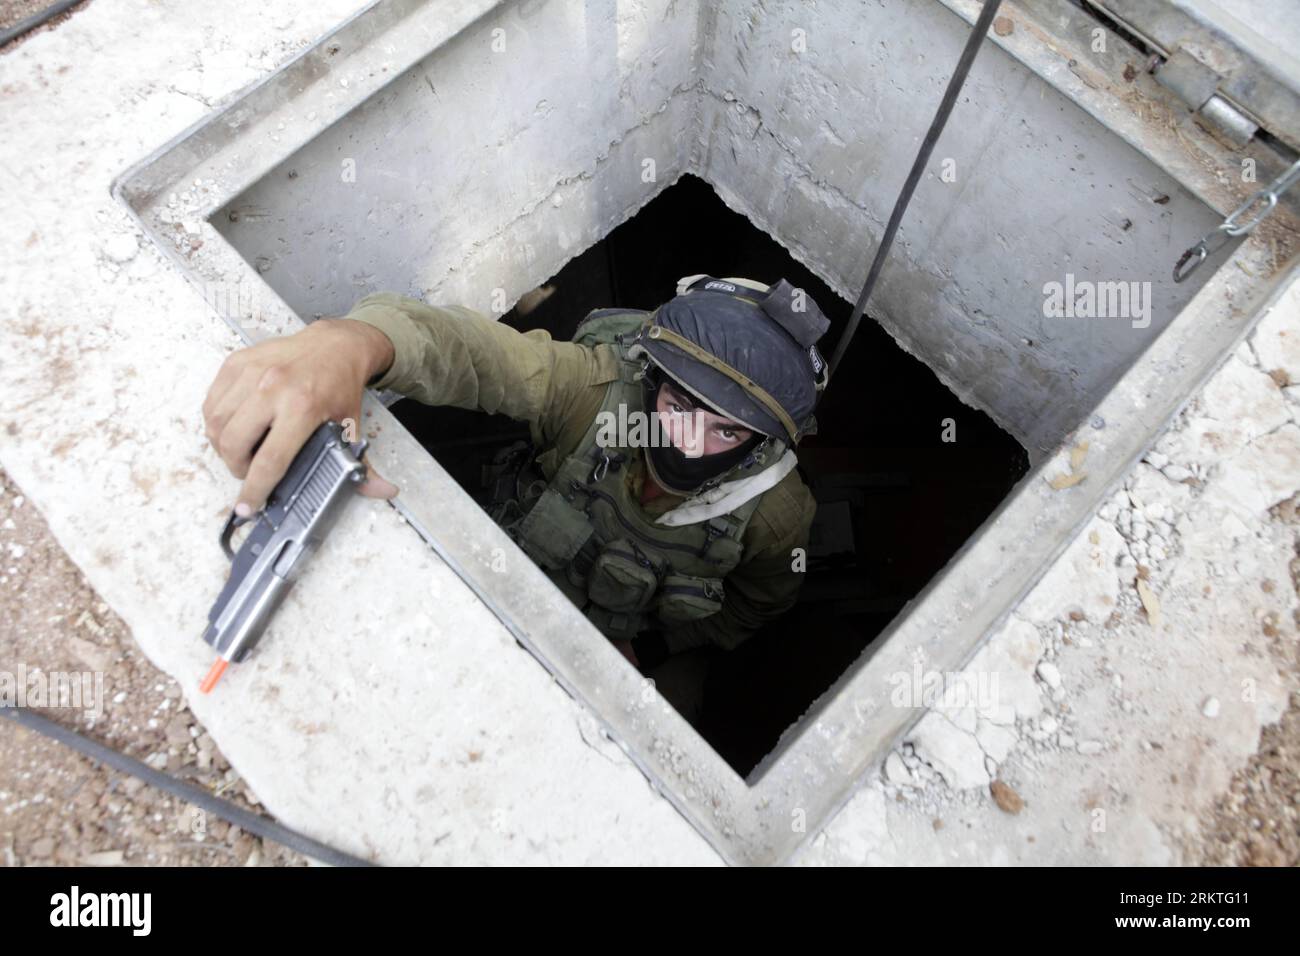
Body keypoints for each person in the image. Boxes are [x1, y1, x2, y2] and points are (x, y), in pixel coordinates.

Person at [202, 274, 829, 722]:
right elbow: (477, 355)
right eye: (680, 405)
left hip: (633, 641)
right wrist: (351, 344)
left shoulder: (775, 515)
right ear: (654, 378)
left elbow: (756, 607)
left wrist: (650, 651)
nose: (691, 445)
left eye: (726, 429)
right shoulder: (595, 392)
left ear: (761, 443)